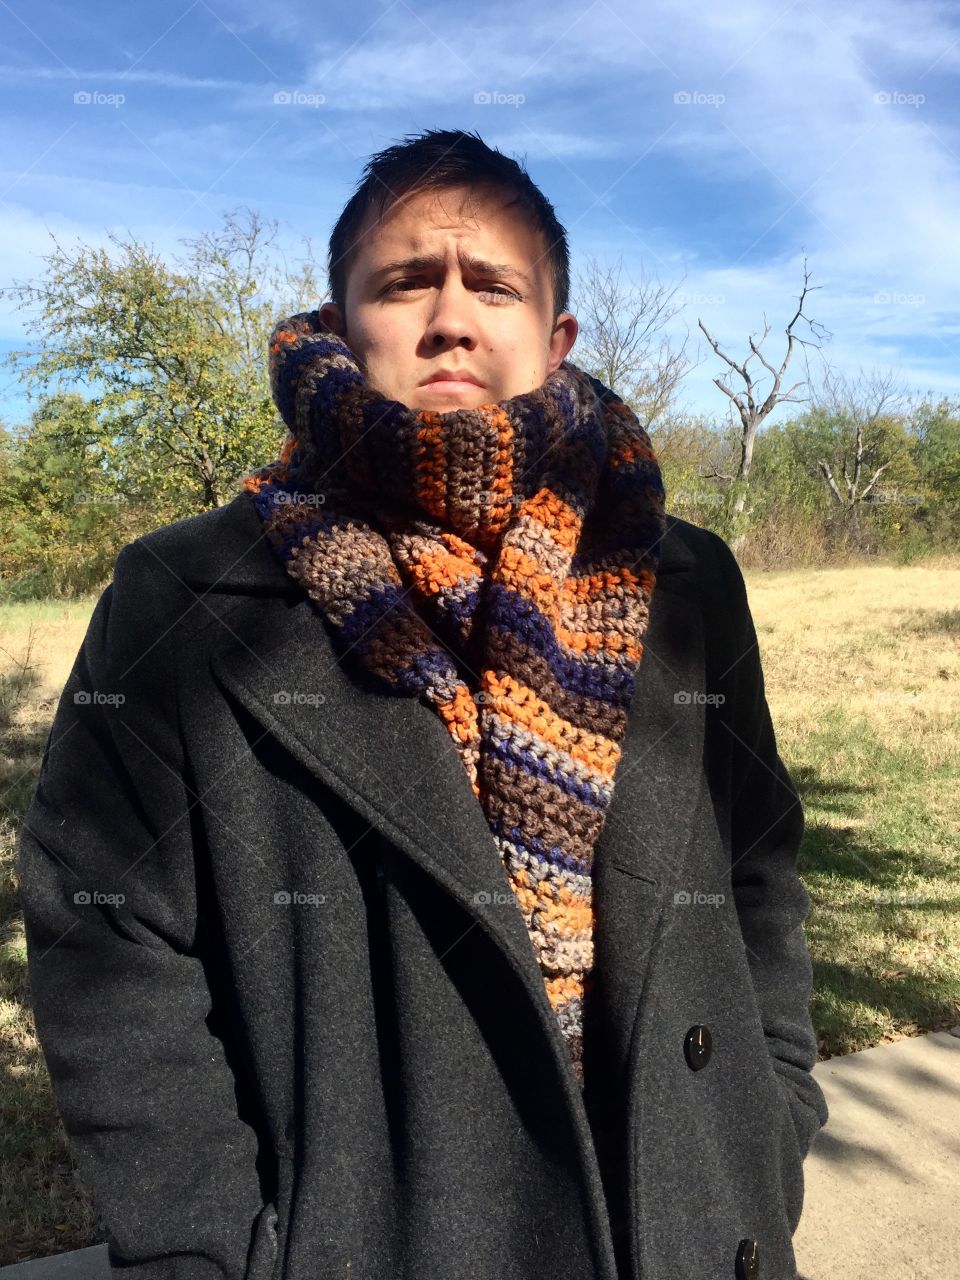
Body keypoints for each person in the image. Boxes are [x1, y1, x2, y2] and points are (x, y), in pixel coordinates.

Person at [17, 127, 828, 1280]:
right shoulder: (186, 596)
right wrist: (214, 1249)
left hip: (688, 1224)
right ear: (341, 320)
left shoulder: (684, 578)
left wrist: (770, 1119)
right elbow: (104, 925)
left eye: (493, 284)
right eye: (406, 281)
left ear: (555, 337)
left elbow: (758, 867)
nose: (451, 317)